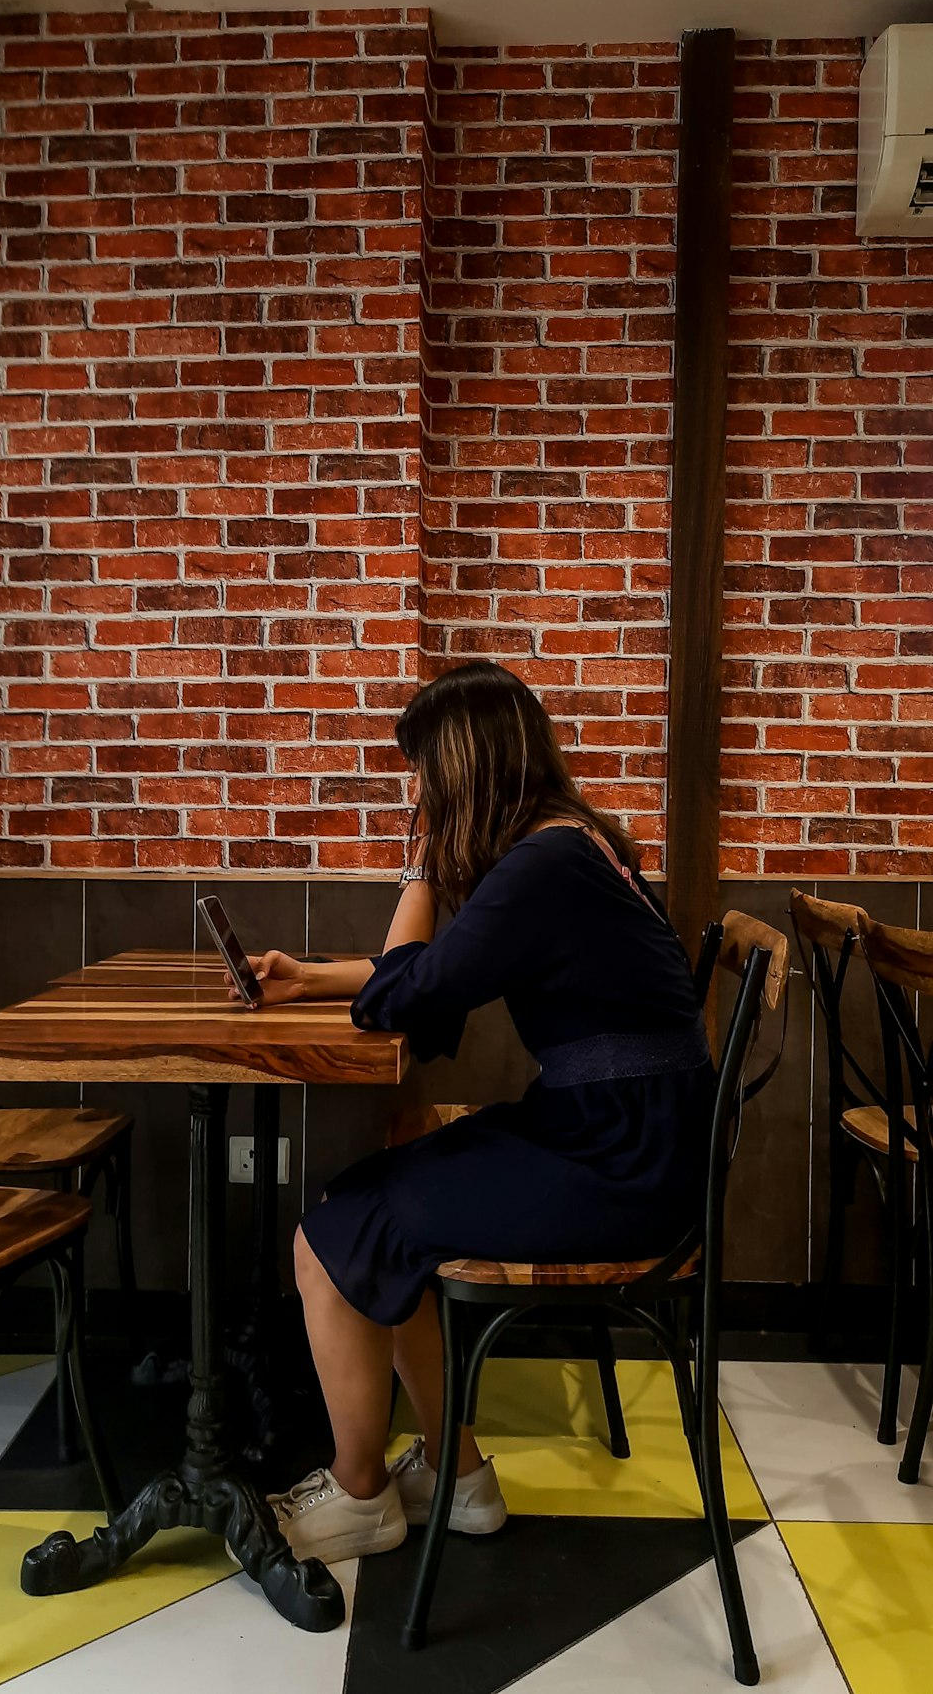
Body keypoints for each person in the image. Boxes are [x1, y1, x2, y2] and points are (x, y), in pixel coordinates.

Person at [223, 660, 714, 1569]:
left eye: (424, 777)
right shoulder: (570, 843)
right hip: (625, 1132)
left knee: (333, 1230)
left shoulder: (547, 863)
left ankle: (361, 1494)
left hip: (619, 1159)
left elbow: (410, 998)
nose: (419, 793)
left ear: (460, 770)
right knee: (377, 1203)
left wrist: (420, 861)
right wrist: (311, 977)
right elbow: (437, 979)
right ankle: (459, 1472)